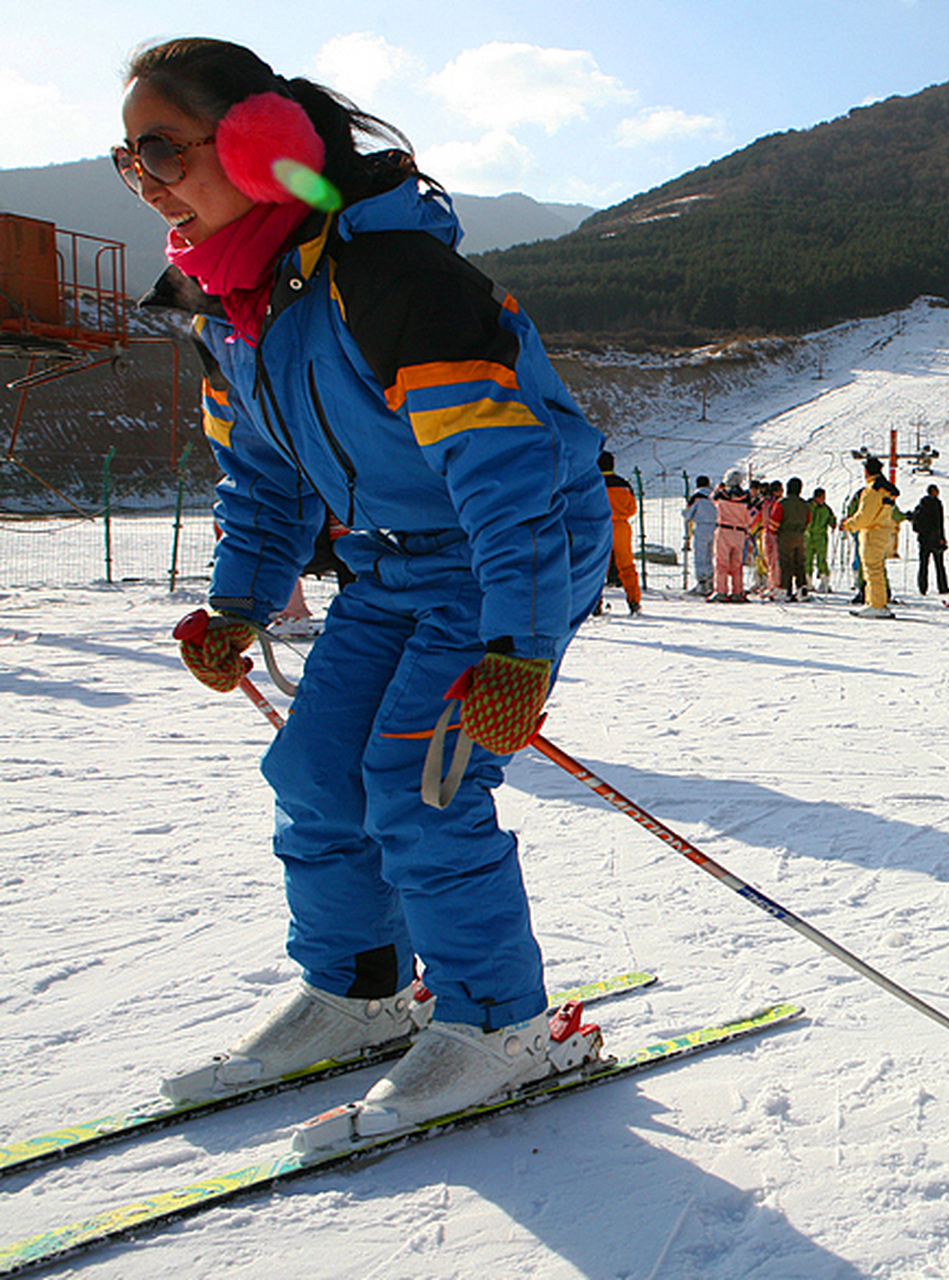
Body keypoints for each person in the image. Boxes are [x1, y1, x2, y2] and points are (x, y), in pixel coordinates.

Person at [131, 38, 613, 1141]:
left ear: (255, 148)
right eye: (129, 161)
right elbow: (261, 475)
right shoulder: (228, 312)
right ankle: (361, 991)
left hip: (509, 553)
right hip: (396, 564)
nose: (148, 182)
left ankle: (501, 1020)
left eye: (162, 150)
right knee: (313, 767)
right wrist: (241, 602)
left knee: (421, 782)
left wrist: (520, 648)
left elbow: (515, 481)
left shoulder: (392, 282)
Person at [841, 456, 900, 617]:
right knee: (877, 569)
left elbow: (865, 516)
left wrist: (849, 524)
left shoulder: (872, 490)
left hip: (872, 532)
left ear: (867, 471)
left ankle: (876, 604)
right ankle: (873, 602)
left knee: (871, 569)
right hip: (883, 531)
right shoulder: (885, 489)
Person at [599, 451, 641, 615]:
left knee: (598, 567)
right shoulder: (623, 484)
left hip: (600, 526)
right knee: (627, 565)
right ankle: (634, 600)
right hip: (621, 527)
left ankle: (595, 604)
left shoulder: (594, 483)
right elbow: (632, 508)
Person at [711, 471, 753, 600]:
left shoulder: (722, 495)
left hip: (724, 530)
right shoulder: (746, 498)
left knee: (721, 563)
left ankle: (721, 591)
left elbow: (712, 499)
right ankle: (737, 591)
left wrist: (719, 487)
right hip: (739, 532)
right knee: (737, 564)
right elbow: (748, 518)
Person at [776, 476, 812, 600]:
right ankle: (802, 589)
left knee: (786, 563)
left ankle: (785, 590)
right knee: (800, 563)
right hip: (800, 535)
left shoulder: (782, 504)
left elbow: (774, 520)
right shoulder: (805, 505)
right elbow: (808, 520)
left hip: (785, 534)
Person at [911, 482, 949, 595]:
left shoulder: (921, 504)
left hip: (923, 538)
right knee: (939, 565)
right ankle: (942, 587)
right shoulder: (937, 504)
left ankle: (922, 587)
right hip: (935, 538)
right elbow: (939, 522)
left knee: (923, 564)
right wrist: (942, 537)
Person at [683, 475, 716, 595]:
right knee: (711, 556)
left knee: (700, 556)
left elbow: (688, 515)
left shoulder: (696, 497)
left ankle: (702, 584)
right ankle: (712, 582)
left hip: (701, 527)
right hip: (716, 527)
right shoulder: (715, 495)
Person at [805, 487, 836, 592]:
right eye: (822, 497)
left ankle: (824, 582)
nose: (823, 499)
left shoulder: (826, 509)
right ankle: (808, 582)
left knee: (821, 560)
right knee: (807, 559)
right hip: (808, 536)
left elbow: (832, 520)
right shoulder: (807, 507)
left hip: (821, 537)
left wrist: (833, 523)